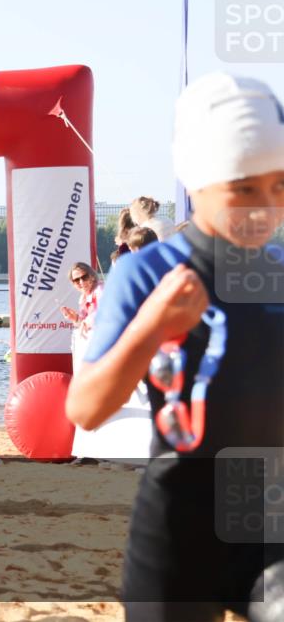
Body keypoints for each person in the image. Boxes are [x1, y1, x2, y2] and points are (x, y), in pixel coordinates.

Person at [66, 72, 284, 620]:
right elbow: (86, 408)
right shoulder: (148, 274)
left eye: (278, 186)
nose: (262, 207)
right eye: (242, 188)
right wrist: (154, 323)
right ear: (197, 181)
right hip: (177, 529)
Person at [60, 262, 103, 361]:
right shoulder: (83, 298)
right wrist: (75, 318)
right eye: (76, 280)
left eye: (84, 277)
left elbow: (103, 311)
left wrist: (85, 322)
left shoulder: (100, 289)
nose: (81, 282)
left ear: (91, 276)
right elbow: (83, 324)